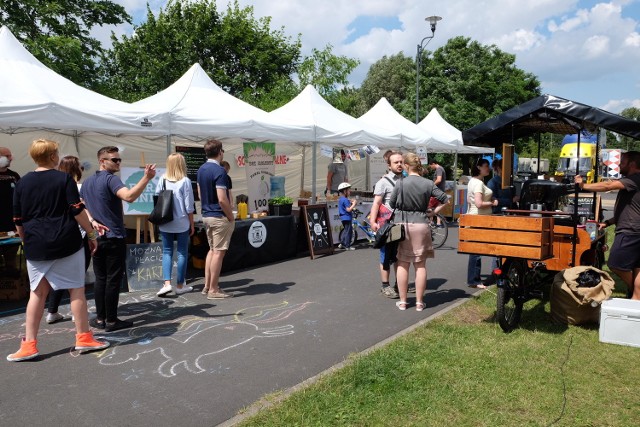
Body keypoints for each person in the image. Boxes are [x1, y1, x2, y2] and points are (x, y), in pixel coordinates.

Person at [7, 139, 109, 361]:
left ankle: (29, 344)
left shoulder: (22, 182)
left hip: (36, 243)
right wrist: (91, 234)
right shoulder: (63, 179)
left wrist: (26, 239)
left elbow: (18, 219)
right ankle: (83, 338)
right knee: (76, 290)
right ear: (53, 156)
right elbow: (77, 210)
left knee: (37, 293)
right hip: (66, 241)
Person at [81, 146, 156, 332]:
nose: (118, 163)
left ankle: (100, 319)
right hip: (112, 236)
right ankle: (111, 320)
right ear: (102, 161)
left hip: (97, 236)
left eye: (119, 159)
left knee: (101, 279)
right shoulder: (110, 179)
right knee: (112, 279)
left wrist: (91, 221)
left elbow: (82, 205)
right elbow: (129, 197)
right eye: (114, 160)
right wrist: (146, 178)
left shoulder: (88, 182)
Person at [575, 151, 640, 300]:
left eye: (622, 162)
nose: (618, 165)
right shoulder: (633, 180)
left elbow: (607, 185)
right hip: (634, 229)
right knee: (637, 268)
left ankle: (636, 293)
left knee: (615, 264)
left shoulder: (634, 179)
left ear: (632, 164)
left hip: (631, 231)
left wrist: (583, 185)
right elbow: (630, 208)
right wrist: (608, 222)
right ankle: (636, 299)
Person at [390, 153, 448, 311]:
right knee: (420, 264)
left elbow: (392, 203)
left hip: (401, 224)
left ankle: (403, 302)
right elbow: (445, 198)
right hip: (421, 223)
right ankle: (419, 303)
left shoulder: (400, 183)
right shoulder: (428, 183)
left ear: (407, 166)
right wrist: (433, 213)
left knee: (402, 262)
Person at [46, 156, 97, 324]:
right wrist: (91, 232)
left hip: (57, 234)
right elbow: (82, 211)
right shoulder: (77, 186)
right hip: (78, 234)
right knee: (76, 277)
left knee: (58, 275)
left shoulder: (53, 185)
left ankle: (52, 311)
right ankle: (78, 313)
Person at [197, 139, 235, 300]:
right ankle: (213, 289)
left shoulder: (201, 169)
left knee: (212, 251)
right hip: (218, 215)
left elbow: (199, 194)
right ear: (220, 152)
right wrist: (230, 216)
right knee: (218, 253)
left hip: (206, 214)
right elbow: (222, 198)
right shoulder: (219, 171)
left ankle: (207, 286)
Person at [156, 153, 196, 297]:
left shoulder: (162, 179)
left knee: (166, 251)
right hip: (181, 221)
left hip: (165, 220)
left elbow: (158, 198)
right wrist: (192, 223)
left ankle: (167, 284)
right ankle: (180, 285)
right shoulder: (185, 181)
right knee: (182, 253)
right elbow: (189, 205)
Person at [369, 151, 404, 298]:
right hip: (388, 225)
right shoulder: (383, 182)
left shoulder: (407, 180)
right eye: (396, 162)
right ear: (389, 165)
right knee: (386, 256)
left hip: (403, 224)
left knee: (400, 256)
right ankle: (385, 285)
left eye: (401, 162)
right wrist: (372, 221)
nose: (400, 164)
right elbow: (377, 203)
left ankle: (399, 283)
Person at [484, 158, 520, 286]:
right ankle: (496, 274)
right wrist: (511, 200)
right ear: (498, 168)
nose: (508, 171)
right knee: (497, 248)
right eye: (505, 168)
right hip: (498, 217)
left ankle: (506, 272)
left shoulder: (510, 183)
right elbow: (493, 202)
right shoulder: (492, 182)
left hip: (510, 216)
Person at [466, 158, 498, 289]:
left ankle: (473, 279)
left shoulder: (473, 181)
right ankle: (474, 280)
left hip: (475, 217)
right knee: (476, 251)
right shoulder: (478, 183)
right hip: (479, 219)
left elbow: (469, 200)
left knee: (475, 250)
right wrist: (492, 203)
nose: (488, 168)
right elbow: (479, 203)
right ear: (479, 167)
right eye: (486, 166)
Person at [0, 146, 20, 274]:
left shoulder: (14, 176)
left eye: (10, 155)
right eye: (6, 156)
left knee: (11, 259)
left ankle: (12, 286)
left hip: (11, 226)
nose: (10, 158)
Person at [337, 182, 357, 250]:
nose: (350, 191)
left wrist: (350, 202)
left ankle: (342, 243)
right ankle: (347, 246)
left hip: (343, 217)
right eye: (348, 190)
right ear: (344, 191)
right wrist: (354, 204)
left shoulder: (341, 199)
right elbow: (348, 210)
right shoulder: (345, 200)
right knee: (348, 231)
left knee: (346, 231)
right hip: (347, 217)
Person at [428, 159, 447, 227]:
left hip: (437, 191)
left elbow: (439, 179)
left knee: (430, 206)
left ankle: (430, 222)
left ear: (433, 164)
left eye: (430, 166)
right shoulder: (441, 168)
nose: (431, 168)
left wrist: (432, 185)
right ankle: (438, 223)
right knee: (438, 207)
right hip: (440, 191)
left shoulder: (439, 169)